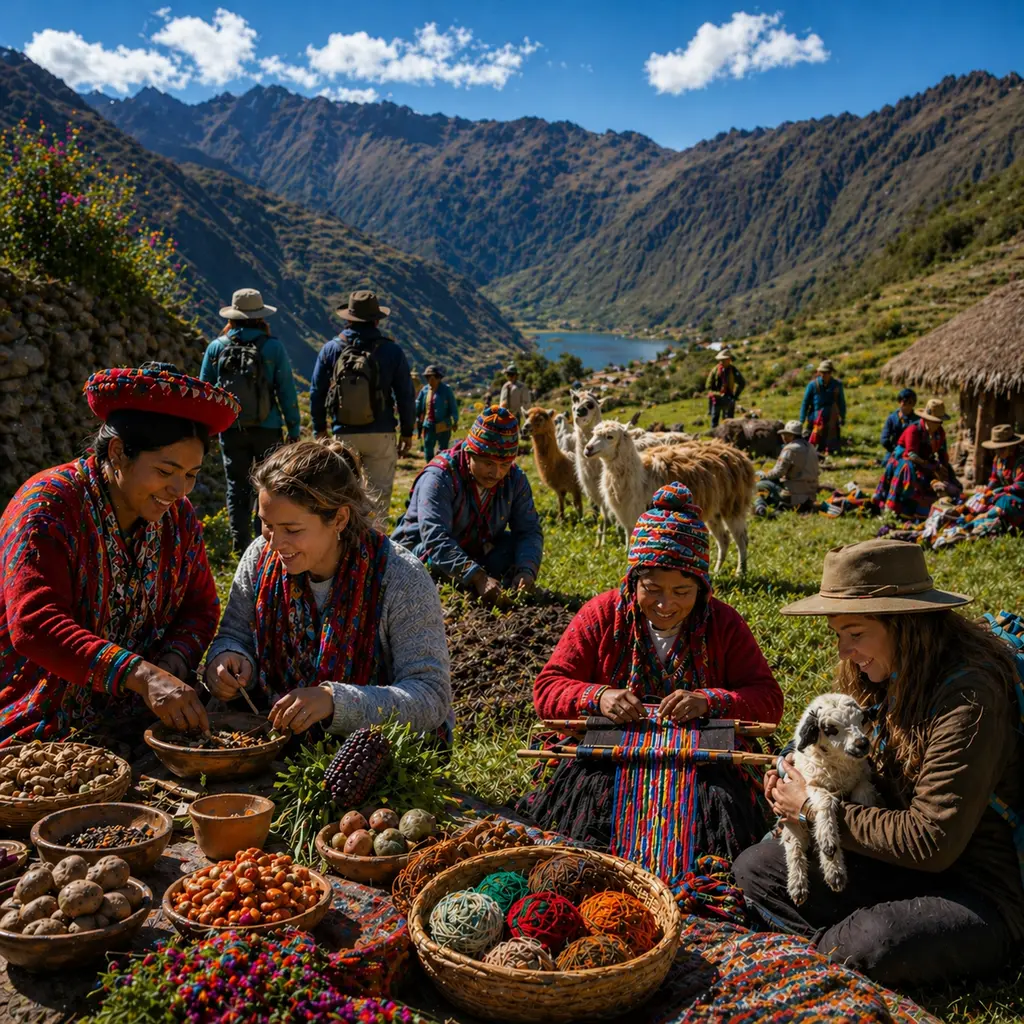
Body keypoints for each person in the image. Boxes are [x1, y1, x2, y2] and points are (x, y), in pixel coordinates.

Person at [733, 538, 1024, 987]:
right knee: (755, 869)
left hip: (976, 885)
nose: (845, 651)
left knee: (869, 944)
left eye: (856, 634)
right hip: (897, 861)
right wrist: (806, 770)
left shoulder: (968, 699)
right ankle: (834, 948)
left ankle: (833, 953)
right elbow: (872, 775)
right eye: (839, 636)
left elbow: (932, 840)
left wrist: (812, 808)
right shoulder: (886, 672)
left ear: (906, 624)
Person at [516, 484, 783, 858]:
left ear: (702, 587)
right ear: (633, 580)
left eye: (682, 592)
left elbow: (768, 700)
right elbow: (547, 690)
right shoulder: (601, 615)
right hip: (612, 758)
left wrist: (709, 701)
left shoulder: (723, 624)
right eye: (652, 588)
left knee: (718, 810)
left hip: (699, 763)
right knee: (587, 811)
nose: (666, 604)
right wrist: (599, 696)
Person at [0, 366, 237, 745]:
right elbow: (34, 623)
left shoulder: (178, 517)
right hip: (47, 712)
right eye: (165, 470)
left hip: (142, 713)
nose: (178, 489)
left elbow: (201, 607)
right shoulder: (49, 506)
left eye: (191, 474)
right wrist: (141, 675)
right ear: (118, 452)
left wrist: (171, 663)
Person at [205, 437, 453, 739]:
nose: (274, 543)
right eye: (266, 524)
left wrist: (335, 702)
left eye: (292, 530)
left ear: (339, 518)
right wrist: (229, 657)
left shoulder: (399, 578)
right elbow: (235, 635)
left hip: (371, 751)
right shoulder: (260, 557)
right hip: (272, 737)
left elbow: (430, 696)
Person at [391, 406, 543, 604]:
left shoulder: (514, 479)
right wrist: (477, 577)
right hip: (422, 551)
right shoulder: (440, 476)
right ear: (470, 452)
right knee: (430, 560)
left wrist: (526, 571)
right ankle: (473, 580)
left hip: (474, 551)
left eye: (504, 465)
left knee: (516, 549)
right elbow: (435, 538)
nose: (496, 473)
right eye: (488, 463)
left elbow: (529, 530)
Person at [200, 288, 302, 553]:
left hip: (231, 428)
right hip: (268, 428)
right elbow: (286, 391)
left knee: (237, 487)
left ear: (232, 317)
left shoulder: (216, 348)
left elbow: (204, 391)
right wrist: (293, 428)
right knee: (269, 486)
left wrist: (206, 429)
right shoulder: (272, 347)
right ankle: (264, 543)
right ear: (259, 316)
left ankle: (239, 544)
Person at [309, 291, 416, 514]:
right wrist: (407, 431)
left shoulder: (332, 349)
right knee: (377, 498)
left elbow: (317, 391)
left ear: (348, 318)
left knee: (343, 495)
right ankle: (375, 545)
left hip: (344, 433)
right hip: (381, 432)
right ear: (377, 320)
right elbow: (405, 394)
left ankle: (347, 544)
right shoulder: (391, 350)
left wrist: (320, 428)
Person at [873, 398, 961, 519]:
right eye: (934, 421)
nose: (937, 424)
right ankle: (898, 508)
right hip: (905, 459)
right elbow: (911, 454)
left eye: (939, 421)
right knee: (907, 469)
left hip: (926, 460)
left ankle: (943, 503)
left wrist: (943, 469)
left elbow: (942, 453)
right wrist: (930, 466)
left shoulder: (940, 433)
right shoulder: (913, 429)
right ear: (926, 419)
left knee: (948, 476)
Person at [755, 420, 819, 514]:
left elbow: (779, 472)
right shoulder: (811, 447)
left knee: (760, 484)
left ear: (792, 435)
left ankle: (760, 506)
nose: (783, 437)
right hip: (811, 494)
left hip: (794, 495)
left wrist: (764, 475)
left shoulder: (790, 449)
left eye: (785, 434)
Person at [799, 359, 846, 455]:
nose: (824, 375)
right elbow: (805, 403)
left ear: (831, 373)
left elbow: (841, 402)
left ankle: (830, 449)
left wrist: (843, 416)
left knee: (831, 440)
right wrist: (802, 419)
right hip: (815, 419)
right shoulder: (812, 385)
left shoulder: (837, 385)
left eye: (827, 372)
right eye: (822, 372)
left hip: (831, 418)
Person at [416, 365, 459, 462]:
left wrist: (454, 420)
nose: (429, 381)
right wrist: (416, 418)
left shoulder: (446, 390)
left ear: (438, 378)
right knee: (428, 448)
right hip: (429, 424)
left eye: (431, 378)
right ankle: (429, 467)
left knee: (443, 450)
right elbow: (418, 405)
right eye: (427, 378)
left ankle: (441, 467)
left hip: (443, 424)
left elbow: (453, 407)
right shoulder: (425, 390)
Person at [705, 348, 746, 428]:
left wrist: (735, 396)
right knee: (715, 421)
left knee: (729, 422)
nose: (722, 362)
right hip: (717, 399)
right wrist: (717, 394)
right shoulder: (715, 370)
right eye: (721, 360)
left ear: (729, 359)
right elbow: (708, 386)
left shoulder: (733, 370)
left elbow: (742, 383)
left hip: (729, 399)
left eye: (724, 360)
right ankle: (715, 438)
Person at [880, 388, 919, 456]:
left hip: (913, 453)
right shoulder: (892, 418)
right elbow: (884, 439)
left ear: (914, 403)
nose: (906, 404)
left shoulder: (918, 420)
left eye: (909, 402)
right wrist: (893, 450)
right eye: (903, 401)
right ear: (899, 402)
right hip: (895, 451)